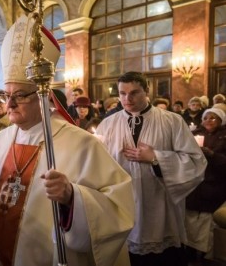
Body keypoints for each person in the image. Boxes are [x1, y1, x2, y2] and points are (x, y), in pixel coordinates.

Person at [0, 15, 134, 266]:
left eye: (20, 95)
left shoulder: (81, 145)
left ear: (43, 96)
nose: (10, 104)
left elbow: (117, 212)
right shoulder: (1, 140)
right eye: (7, 95)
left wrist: (72, 198)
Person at [96, 71, 207, 266]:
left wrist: (156, 158)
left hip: (160, 209)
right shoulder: (107, 125)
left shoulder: (172, 121)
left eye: (134, 93)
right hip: (123, 208)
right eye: (122, 93)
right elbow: (97, 165)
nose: (127, 99)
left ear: (147, 91)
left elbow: (196, 162)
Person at [185, 108, 226, 262]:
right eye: (206, 118)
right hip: (194, 185)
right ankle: (189, 252)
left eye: (213, 118)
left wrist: (212, 155)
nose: (208, 120)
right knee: (189, 220)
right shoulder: (194, 134)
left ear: (221, 121)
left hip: (214, 185)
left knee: (205, 225)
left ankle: (204, 255)